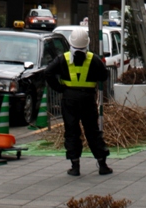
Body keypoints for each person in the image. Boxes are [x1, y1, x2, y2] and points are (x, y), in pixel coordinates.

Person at [44, 27, 112, 177]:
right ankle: (102, 164)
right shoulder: (93, 59)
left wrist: (59, 88)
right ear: (87, 43)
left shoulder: (63, 58)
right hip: (87, 99)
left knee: (72, 131)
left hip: (69, 99)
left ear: (71, 43)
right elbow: (104, 76)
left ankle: (75, 166)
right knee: (92, 131)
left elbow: (48, 72)